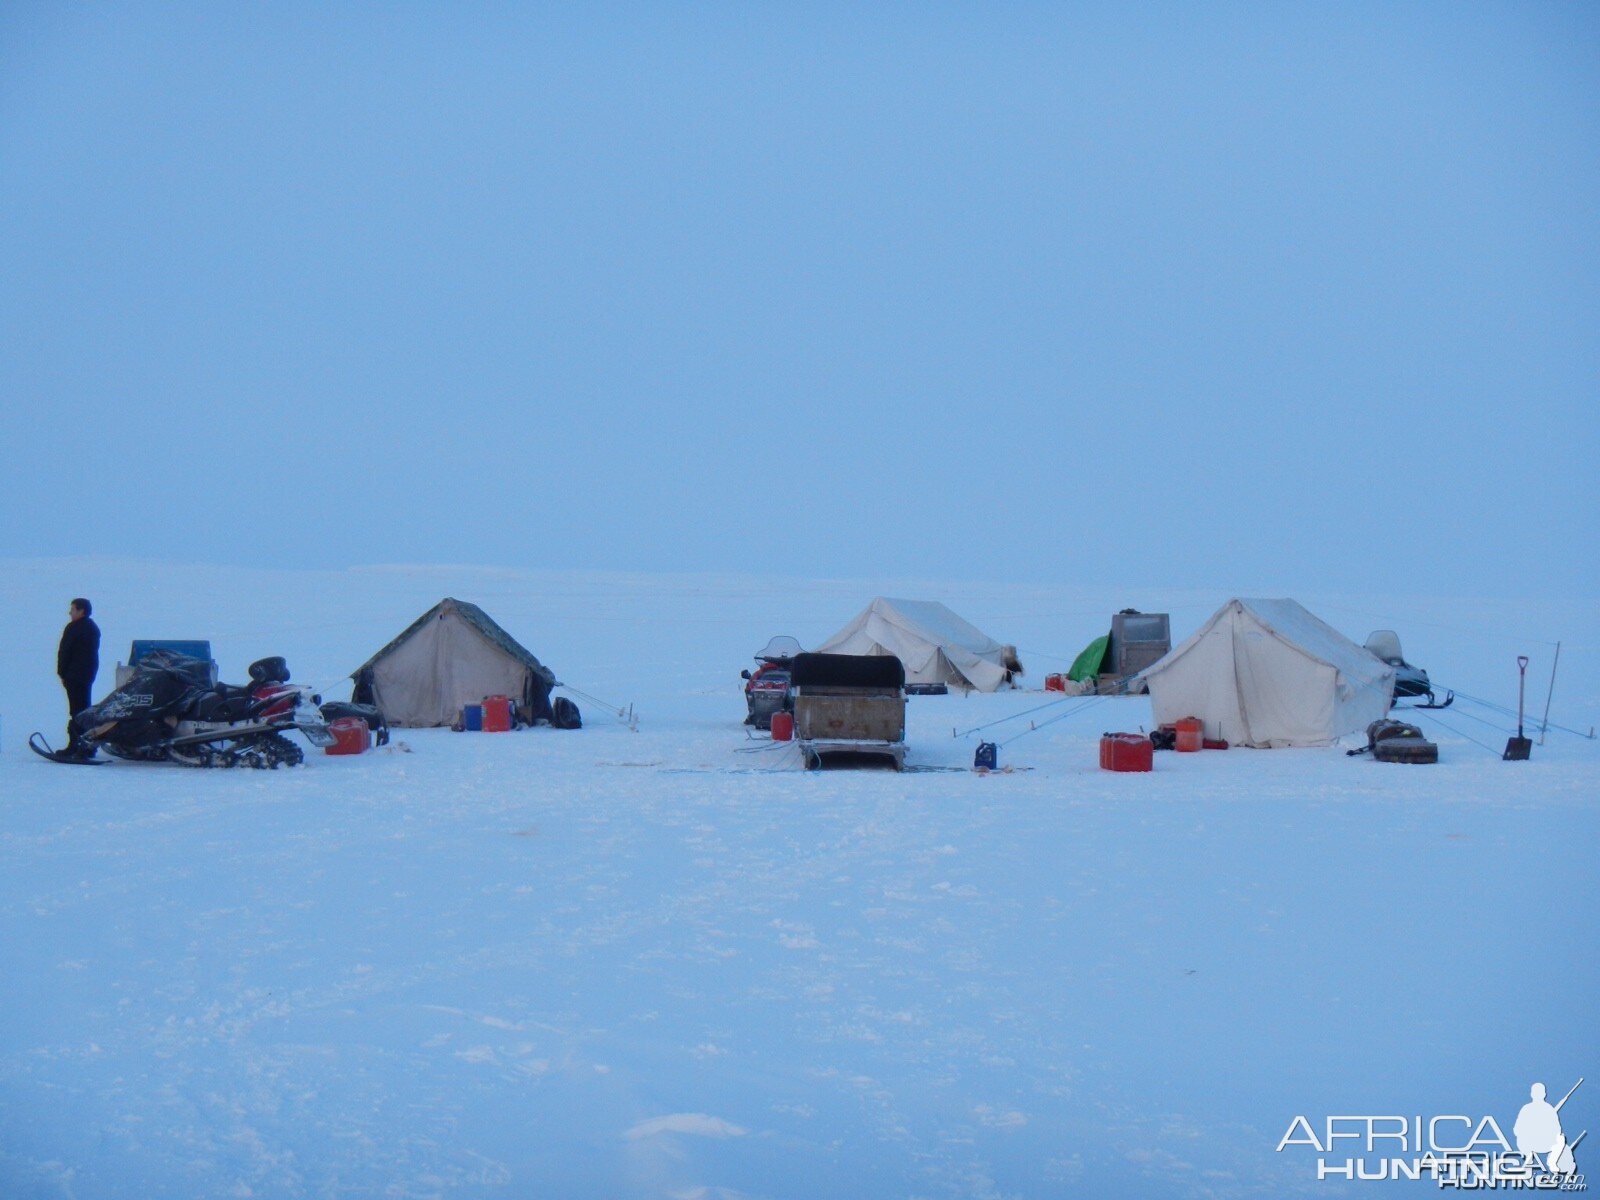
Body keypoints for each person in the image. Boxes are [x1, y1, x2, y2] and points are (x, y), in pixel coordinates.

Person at [57, 597, 100, 753]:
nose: (70, 612)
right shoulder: (92, 628)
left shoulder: (75, 627)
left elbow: (66, 651)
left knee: (77, 712)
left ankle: (77, 747)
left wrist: (62, 672)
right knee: (83, 710)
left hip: (75, 676)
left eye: (73, 609)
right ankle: (87, 746)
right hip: (86, 675)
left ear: (81, 611)